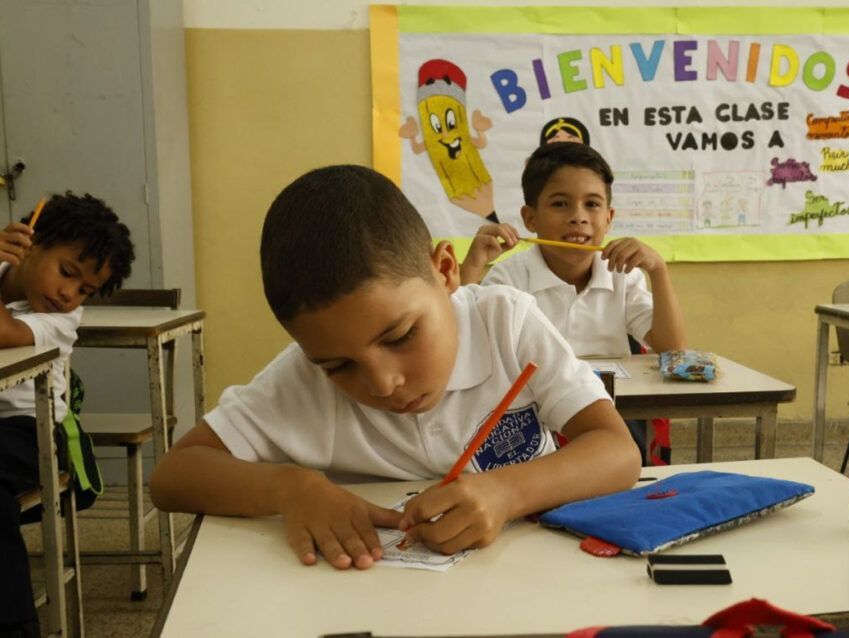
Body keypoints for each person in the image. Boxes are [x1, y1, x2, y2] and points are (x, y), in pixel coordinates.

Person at [149, 165, 640, 572]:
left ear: (445, 271)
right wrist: (290, 487)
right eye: (339, 366)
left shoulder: (506, 324)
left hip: (538, 584)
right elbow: (173, 476)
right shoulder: (302, 377)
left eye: (401, 336)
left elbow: (617, 451)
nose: (383, 383)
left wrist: (507, 493)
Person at [458, 142, 687, 458]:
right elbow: (459, 341)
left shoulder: (623, 275)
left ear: (609, 218)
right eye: (560, 204)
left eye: (592, 204)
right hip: (536, 418)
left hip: (610, 416)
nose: (578, 218)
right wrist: (471, 267)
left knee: (629, 456)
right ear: (530, 218)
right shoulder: (508, 278)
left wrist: (658, 271)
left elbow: (672, 349)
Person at [0, 193, 135, 638]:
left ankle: (16, 627)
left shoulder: (62, 320)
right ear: (30, 241)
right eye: (67, 272)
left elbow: (4, 333)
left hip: (32, 433)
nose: (67, 294)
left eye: (84, 290)